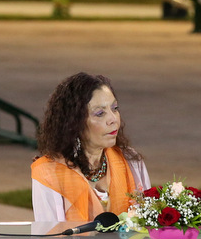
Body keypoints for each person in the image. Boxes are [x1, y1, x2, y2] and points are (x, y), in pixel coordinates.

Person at [31, 72, 150, 222]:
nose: (113, 119)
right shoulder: (48, 173)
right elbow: (50, 233)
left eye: (115, 108)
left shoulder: (131, 161)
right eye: (100, 113)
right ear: (75, 123)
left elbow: (148, 224)